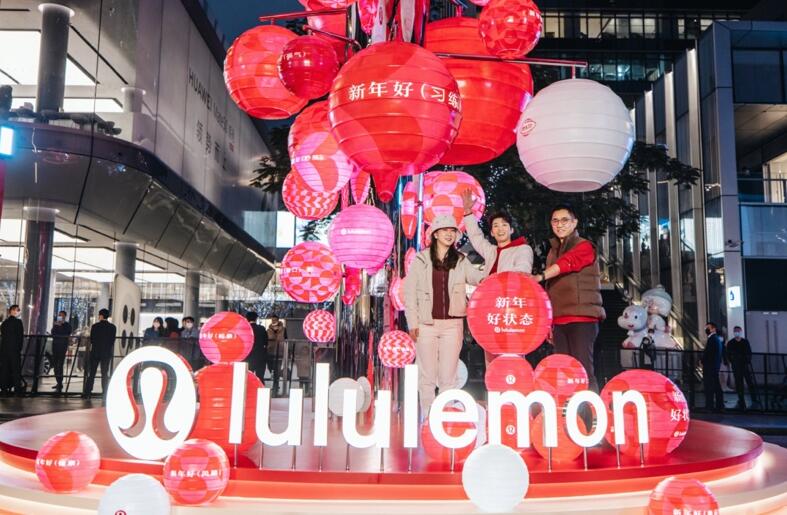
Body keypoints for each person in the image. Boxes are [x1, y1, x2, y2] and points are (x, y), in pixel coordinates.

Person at [403, 214, 485, 416]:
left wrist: (494, 264)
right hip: (426, 325)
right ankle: (427, 416)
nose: (449, 234)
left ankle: (443, 417)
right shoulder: (421, 259)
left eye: (452, 231)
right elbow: (409, 292)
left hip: (452, 325)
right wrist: (412, 322)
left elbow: (477, 278)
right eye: (445, 230)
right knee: (427, 376)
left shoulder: (461, 260)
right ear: (435, 234)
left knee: (449, 376)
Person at [532, 204, 605, 391]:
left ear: (574, 223)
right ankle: (569, 407)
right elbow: (550, 289)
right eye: (555, 221)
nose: (559, 224)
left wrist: (540, 276)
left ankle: (590, 409)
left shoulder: (584, 246)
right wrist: (549, 322)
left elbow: (568, 263)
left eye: (565, 220)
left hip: (582, 317)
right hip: (559, 319)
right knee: (564, 370)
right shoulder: (552, 251)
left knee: (583, 369)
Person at [461, 190, 535, 366]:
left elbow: (522, 271)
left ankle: (515, 382)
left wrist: (494, 279)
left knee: (513, 356)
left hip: (511, 310)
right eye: (495, 226)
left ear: (511, 229)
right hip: (491, 311)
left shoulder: (522, 249)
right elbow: (476, 237)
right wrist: (468, 212)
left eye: (504, 225)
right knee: (491, 355)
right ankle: (493, 384)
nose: (500, 229)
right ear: (492, 233)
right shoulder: (492, 251)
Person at [83, 309, 116, 402]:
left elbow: (92, 340)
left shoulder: (95, 326)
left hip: (95, 352)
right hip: (106, 353)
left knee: (92, 373)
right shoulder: (112, 327)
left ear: (101, 316)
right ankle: (105, 393)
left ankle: (88, 393)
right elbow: (112, 341)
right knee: (104, 374)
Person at [726, 326, 761, 410]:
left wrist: (746, 361)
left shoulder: (745, 342)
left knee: (750, 383)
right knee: (739, 384)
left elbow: (749, 353)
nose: (736, 333)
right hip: (736, 366)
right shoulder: (731, 343)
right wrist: (733, 361)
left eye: (738, 331)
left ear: (741, 331)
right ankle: (741, 401)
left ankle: (754, 400)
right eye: (735, 331)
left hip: (745, 366)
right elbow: (728, 355)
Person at [0, 305, 24, 396]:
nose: (19, 312)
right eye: (18, 310)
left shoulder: (4, 323)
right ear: (13, 311)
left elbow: (3, 336)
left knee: (4, 370)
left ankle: (4, 390)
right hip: (15, 350)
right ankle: (17, 390)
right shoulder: (18, 322)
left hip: (4, 350)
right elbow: (20, 337)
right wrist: (19, 348)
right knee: (16, 370)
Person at [702, 322, 725, 412]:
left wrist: (703, 360)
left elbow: (709, 353)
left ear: (713, 329)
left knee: (710, 387)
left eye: (708, 327)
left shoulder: (712, 339)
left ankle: (710, 406)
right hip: (714, 366)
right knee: (716, 386)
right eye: (706, 327)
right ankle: (719, 406)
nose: (706, 329)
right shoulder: (716, 339)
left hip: (710, 367)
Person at [50, 311, 72, 394]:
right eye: (59, 315)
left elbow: (67, 333)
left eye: (62, 315)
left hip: (62, 347)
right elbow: (53, 333)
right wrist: (56, 325)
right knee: (55, 365)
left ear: (65, 317)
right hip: (55, 346)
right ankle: (58, 382)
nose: (60, 317)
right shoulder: (56, 324)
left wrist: (61, 325)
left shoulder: (67, 325)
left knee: (60, 365)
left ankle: (60, 383)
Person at [245, 312, 268, 381]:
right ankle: (259, 387)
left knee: (247, 377)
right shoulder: (261, 328)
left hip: (248, 356)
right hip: (260, 356)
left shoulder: (245, 329)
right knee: (260, 377)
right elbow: (266, 342)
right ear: (256, 319)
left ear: (246, 318)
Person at [266, 315, 287, 384]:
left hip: (279, 351)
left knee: (277, 368)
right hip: (270, 351)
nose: (273, 321)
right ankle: (274, 377)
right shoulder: (268, 330)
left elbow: (286, 339)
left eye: (275, 320)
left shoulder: (283, 329)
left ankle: (276, 384)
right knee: (270, 366)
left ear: (278, 320)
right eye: (272, 320)